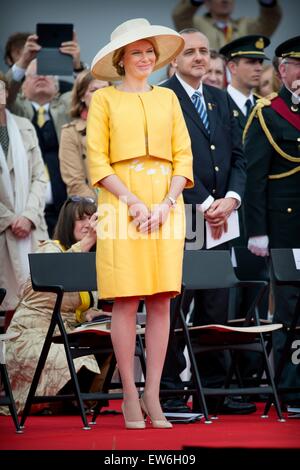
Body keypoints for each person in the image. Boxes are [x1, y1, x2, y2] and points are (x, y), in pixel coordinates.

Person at [87, 18, 193, 429]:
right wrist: (131, 201)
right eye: (137, 52)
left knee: (163, 298)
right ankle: (130, 393)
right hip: (119, 202)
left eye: (150, 51)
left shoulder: (168, 99)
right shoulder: (104, 100)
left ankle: (153, 394)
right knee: (127, 298)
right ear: (121, 59)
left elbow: (183, 156)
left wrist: (167, 202)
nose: (145, 58)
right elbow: (96, 160)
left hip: (167, 204)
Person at [161, 29, 256, 415]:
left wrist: (231, 200)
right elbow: (168, 160)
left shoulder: (219, 98)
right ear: (174, 59)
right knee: (171, 307)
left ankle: (211, 391)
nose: (200, 57)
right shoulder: (162, 98)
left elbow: (237, 157)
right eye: (191, 52)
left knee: (215, 308)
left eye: (204, 51)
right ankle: (168, 392)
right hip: (183, 215)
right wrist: (205, 203)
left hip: (222, 220)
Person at [0, 197, 110, 416]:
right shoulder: (50, 249)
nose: (89, 224)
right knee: (76, 358)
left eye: (92, 218)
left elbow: (79, 305)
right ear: (68, 222)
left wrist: (93, 314)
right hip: (32, 334)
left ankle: (76, 402)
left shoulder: (92, 259)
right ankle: (54, 402)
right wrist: (88, 241)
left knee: (113, 341)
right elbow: (48, 291)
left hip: (67, 332)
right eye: (81, 219)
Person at [244, 35, 300, 408]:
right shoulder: (268, 114)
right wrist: (258, 231)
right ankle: (290, 387)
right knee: (291, 308)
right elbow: (255, 178)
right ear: (283, 71)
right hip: (286, 229)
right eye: (299, 67)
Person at [6, 33, 85, 236]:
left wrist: (77, 65)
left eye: (47, 74)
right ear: (22, 86)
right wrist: (24, 61)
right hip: (25, 211)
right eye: (34, 74)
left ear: (58, 87)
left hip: (69, 211)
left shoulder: (67, 106)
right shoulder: (15, 109)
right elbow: (7, 90)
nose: (41, 76)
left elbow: (91, 91)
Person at [0, 72, 48, 319]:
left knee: (37, 303)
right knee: (7, 305)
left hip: (31, 228)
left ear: (6, 92)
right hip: (3, 230)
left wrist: (28, 215)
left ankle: (30, 357)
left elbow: (40, 176)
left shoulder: (24, 126)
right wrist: (9, 219)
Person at [59, 70, 109, 199]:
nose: (100, 94)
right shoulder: (70, 132)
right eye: (93, 90)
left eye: (105, 89)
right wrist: (102, 208)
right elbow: (75, 184)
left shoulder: (126, 123)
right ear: (81, 96)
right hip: (98, 210)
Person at [172, 0, 282, 50]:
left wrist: (267, 2)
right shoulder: (197, 24)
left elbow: (270, 20)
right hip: (211, 79)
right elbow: (180, 15)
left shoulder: (246, 25)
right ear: (207, 3)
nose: (225, 0)